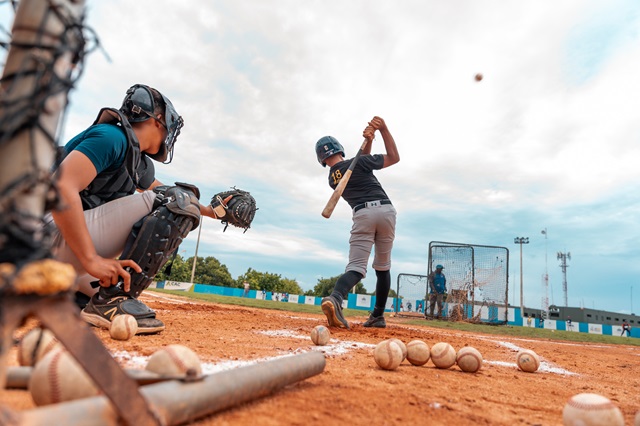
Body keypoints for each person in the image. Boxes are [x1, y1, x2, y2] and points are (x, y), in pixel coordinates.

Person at [48, 84, 223, 334]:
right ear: (158, 119)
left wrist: (213, 212)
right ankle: (110, 302)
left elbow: (161, 189)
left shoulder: (134, 158)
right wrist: (91, 259)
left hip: (50, 250)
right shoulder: (111, 137)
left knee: (176, 198)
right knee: (174, 201)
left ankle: (83, 297)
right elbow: (61, 188)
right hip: (42, 235)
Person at [315, 116, 399, 329]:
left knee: (356, 267)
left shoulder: (332, 179)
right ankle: (378, 316)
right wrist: (383, 129)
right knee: (383, 267)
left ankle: (336, 297)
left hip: (362, 214)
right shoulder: (360, 162)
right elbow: (394, 157)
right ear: (340, 149)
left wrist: (368, 140)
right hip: (387, 211)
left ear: (322, 160)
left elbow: (360, 161)